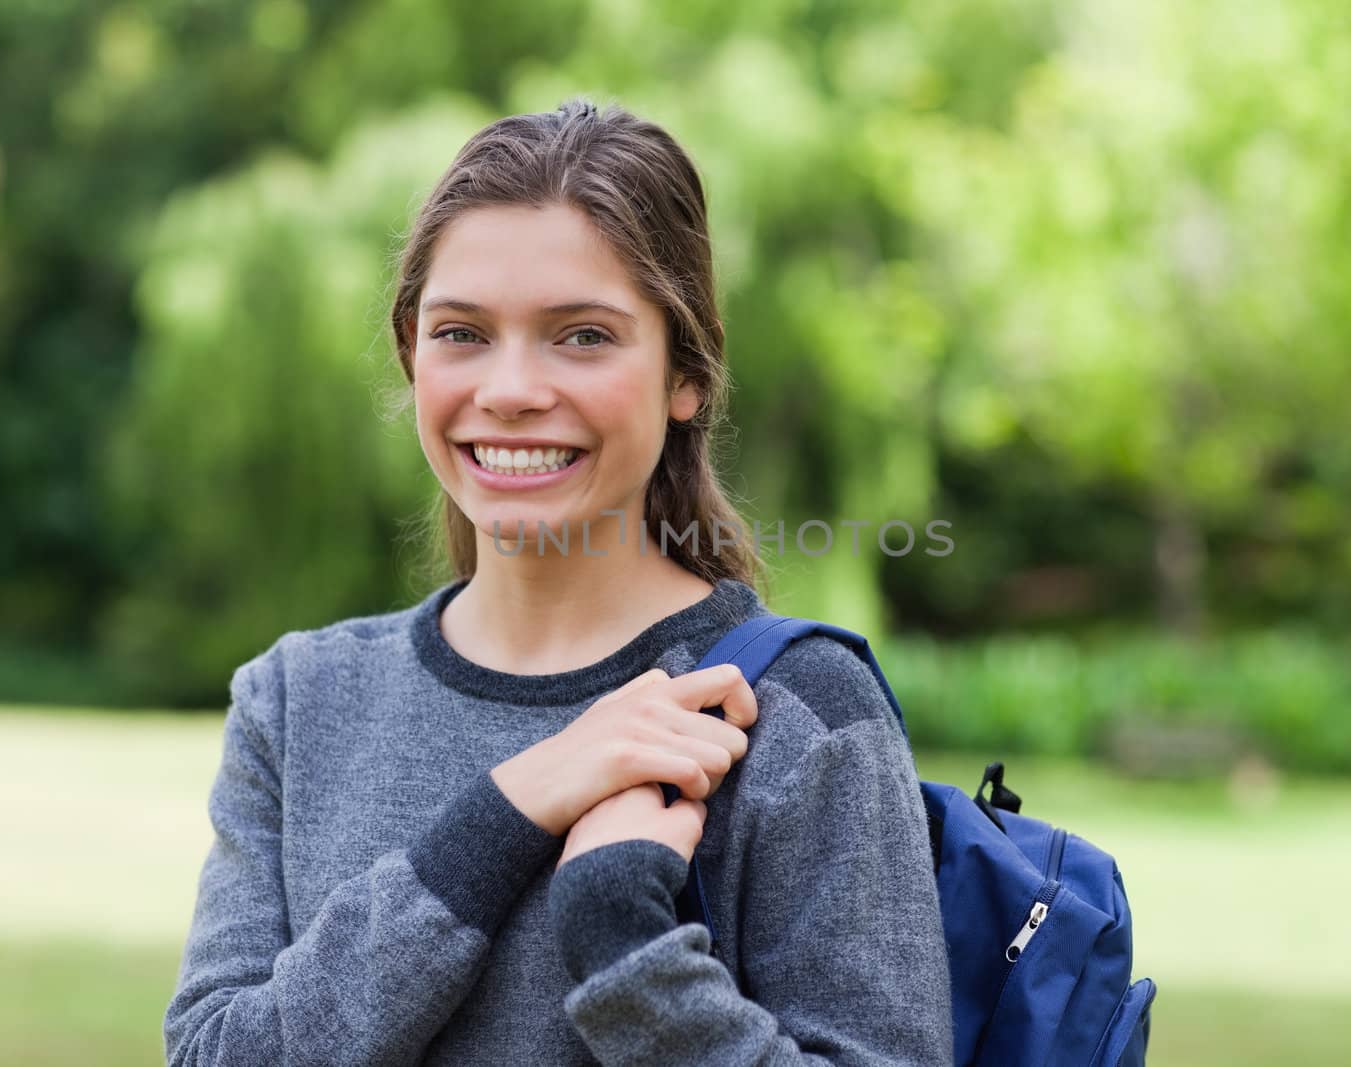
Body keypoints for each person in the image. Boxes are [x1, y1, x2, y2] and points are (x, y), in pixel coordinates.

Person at [163, 97, 951, 1066]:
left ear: (685, 371)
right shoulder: (297, 699)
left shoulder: (795, 709)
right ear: (410, 350)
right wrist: (507, 810)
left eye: (581, 335)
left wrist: (621, 932)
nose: (509, 388)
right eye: (462, 332)